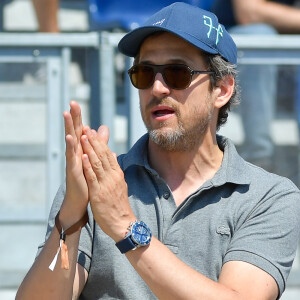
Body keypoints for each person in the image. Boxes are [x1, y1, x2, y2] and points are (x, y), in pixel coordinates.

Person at [16, 2, 300, 299]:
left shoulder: (269, 196)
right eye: (144, 73)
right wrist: (72, 215)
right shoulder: (97, 182)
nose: (158, 88)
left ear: (222, 90)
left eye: (177, 73)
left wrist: (125, 226)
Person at [211, 0, 300, 172]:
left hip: (287, 67)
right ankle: (259, 163)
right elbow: (249, 13)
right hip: (232, 60)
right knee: (260, 34)